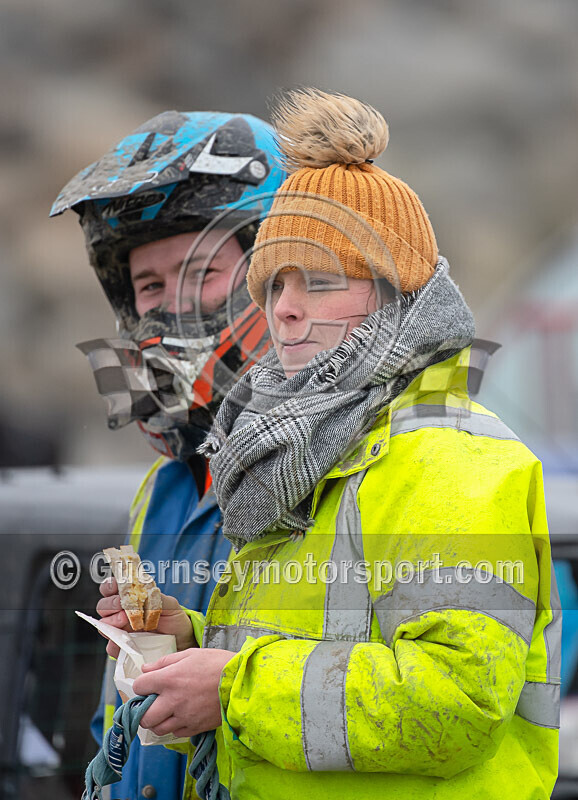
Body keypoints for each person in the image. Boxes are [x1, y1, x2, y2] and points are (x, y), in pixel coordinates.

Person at [100, 90, 560, 799]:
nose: (284, 306)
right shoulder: (298, 456)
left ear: (394, 294)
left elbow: (458, 701)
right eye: (276, 281)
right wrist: (191, 640)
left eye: (319, 280)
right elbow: (296, 656)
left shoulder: (455, 460)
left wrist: (232, 689)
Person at [50, 109, 285, 800]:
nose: (169, 308)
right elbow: (125, 726)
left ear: (283, 271)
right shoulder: (168, 489)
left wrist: (233, 690)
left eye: (200, 271)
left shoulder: (351, 465)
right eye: (150, 286)